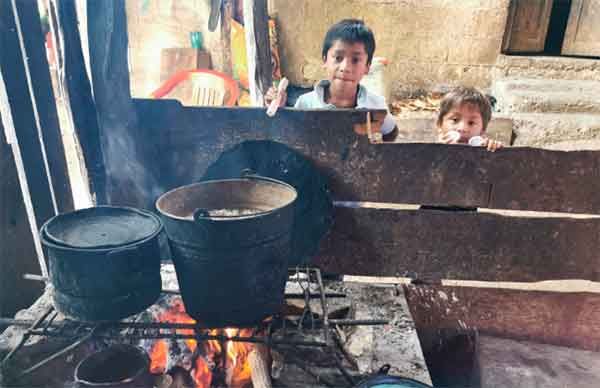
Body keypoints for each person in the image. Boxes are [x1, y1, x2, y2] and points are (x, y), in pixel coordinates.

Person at [265, 19, 397, 141]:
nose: (345, 68)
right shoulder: (306, 104)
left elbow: (391, 132)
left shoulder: (375, 104)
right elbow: (292, 138)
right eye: (338, 58)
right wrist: (280, 112)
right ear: (325, 60)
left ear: (367, 67)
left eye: (355, 60)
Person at [436, 86, 503, 152]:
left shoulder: (484, 151)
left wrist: (495, 151)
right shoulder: (429, 152)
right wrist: (437, 149)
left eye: (471, 123)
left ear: (482, 130)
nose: (462, 128)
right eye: (455, 120)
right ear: (439, 125)